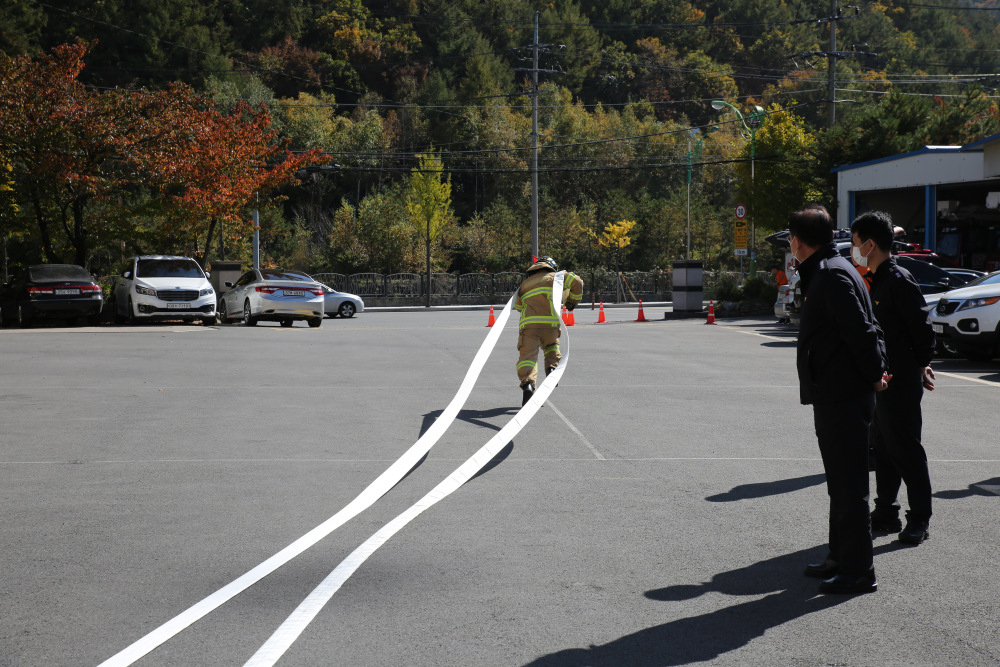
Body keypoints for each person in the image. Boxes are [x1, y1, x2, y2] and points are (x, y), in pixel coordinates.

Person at [791, 205, 889, 595]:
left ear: (797, 242)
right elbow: (868, 327)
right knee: (840, 483)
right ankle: (840, 556)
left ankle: (858, 570)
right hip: (836, 392)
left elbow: (863, 332)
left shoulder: (831, 275)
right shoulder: (833, 269)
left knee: (849, 485)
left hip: (844, 395)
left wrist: (875, 375)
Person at [850, 211, 935, 545]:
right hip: (881, 381)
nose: (853, 250)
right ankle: (886, 511)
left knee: (906, 450)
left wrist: (920, 364)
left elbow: (922, 328)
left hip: (900, 382)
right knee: (883, 449)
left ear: (870, 244)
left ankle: (919, 519)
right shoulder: (872, 280)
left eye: (856, 243)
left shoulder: (898, 279)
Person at [514, 256, 584, 406]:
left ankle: (528, 384)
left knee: (528, 357)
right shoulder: (557, 277)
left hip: (530, 327)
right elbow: (577, 282)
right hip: (550, 325)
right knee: (552, 346)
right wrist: (572, 301)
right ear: (551, 266)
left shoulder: (524, 284)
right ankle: (551, 370)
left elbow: (519, 307)